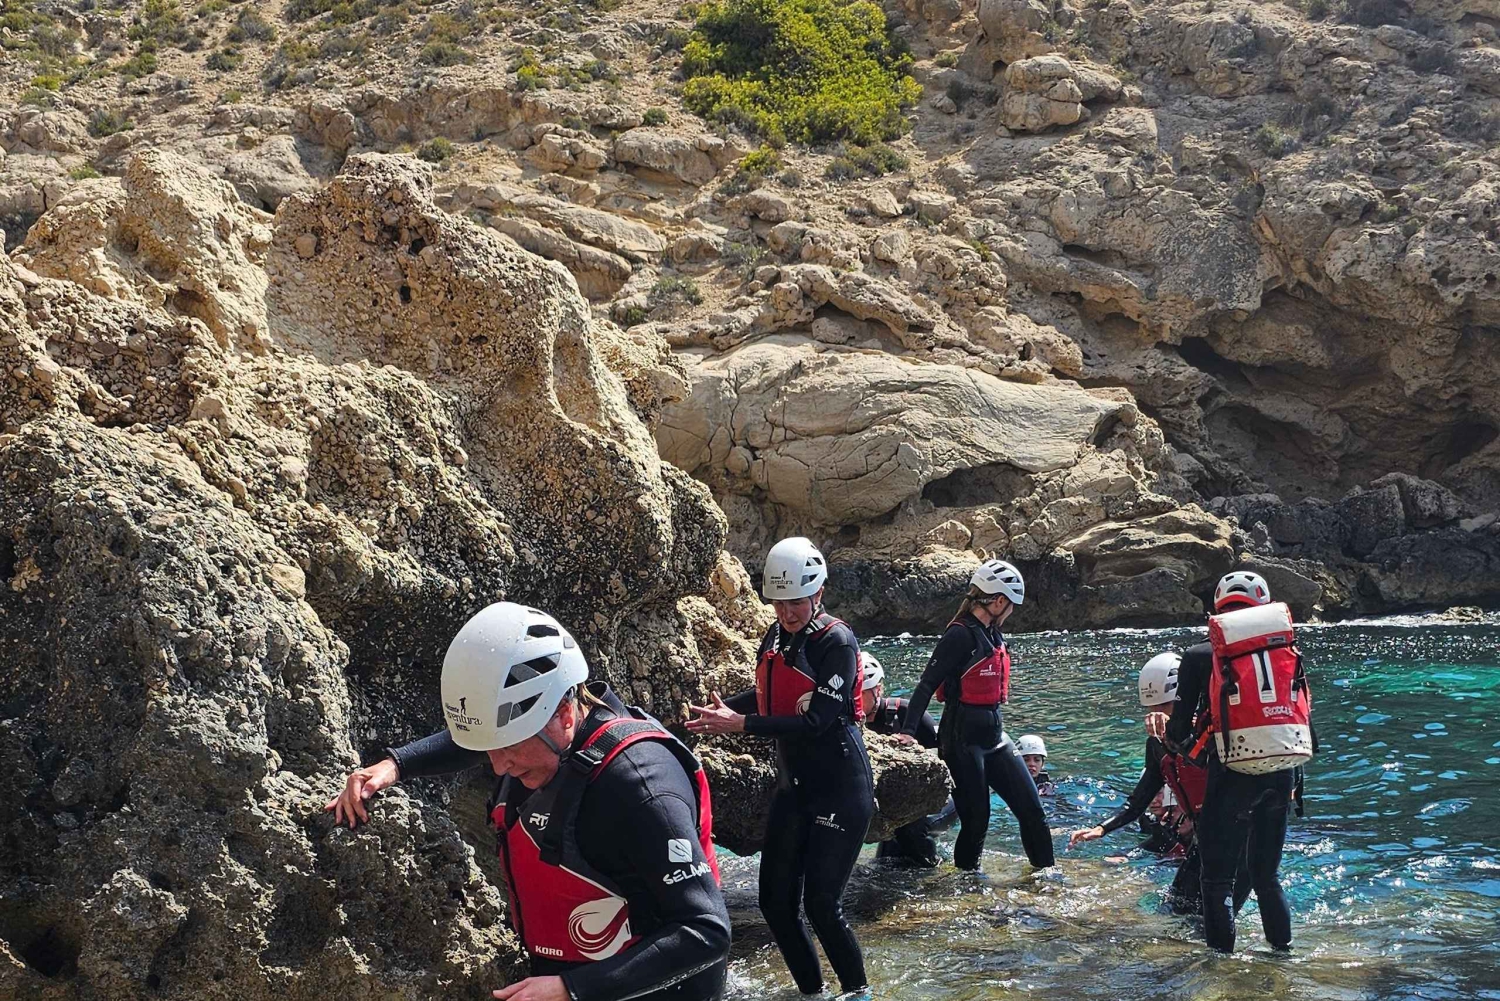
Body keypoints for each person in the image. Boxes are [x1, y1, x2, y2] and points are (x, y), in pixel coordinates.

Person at [327, 602, 731, 1001]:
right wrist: (395, 766)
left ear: (564, 715)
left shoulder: (642, 786)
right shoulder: (537, 743)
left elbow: (706, 931)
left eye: (508, 748)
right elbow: (487, 739)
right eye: (491, 749)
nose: (498, 767)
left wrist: (572, 990)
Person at [686, 538, 873, 996]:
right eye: (779, 603)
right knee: (774, 902)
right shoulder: (775, 636)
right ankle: (813, 993)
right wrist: (714, 714)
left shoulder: (837, 641)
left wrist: (741, 725)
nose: (787, 612)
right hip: (795, 790)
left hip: (840, 790)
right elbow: (770, 694)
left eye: (797, 602)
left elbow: (817, 720)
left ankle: (860, 995)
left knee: (823, 905)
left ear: (819, 592)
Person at [1167, 570, 1313, 953]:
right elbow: (1305, 724)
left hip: (1231, 775)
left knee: (1216, 884)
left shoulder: (1201, 655)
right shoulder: (1288, 651)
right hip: (1282, 775)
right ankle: (1283, 958)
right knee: (1267, 878)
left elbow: (1178, 731)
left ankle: (1222, 974)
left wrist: (1193, 753)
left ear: (1218, 609)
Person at [895, 559, 1055, 872]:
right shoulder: (960, 635)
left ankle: (1046, 874)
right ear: (998, 602)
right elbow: (927, 684)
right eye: (1011, 606)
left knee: (1032, 811)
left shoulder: (992, 634)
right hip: (962, 742)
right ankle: (969, 883)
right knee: (977, 821)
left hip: (995, 739)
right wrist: (909, 733)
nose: (1011, 612)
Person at [1065, 652, 1209, 914]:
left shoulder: (1208, 730)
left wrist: (1178, 736)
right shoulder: (1155, 744)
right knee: (1178, 905)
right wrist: (1102, 829)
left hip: (1230, 834)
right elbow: (1140, 798)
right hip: (1206, 840)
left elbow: (1208, 767)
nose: (1156, 717)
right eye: (1151, 709)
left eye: (1164, 707)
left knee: (1203, 904)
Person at [860, 652, 947, 867]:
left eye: (861, 694)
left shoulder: (907, 713)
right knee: (886, 861)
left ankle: (933, 870)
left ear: (877, 690)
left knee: (911, 829)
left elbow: (944, 766)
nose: (855, 701)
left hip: (940, 798)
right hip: (897, 805)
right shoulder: (849, 724)